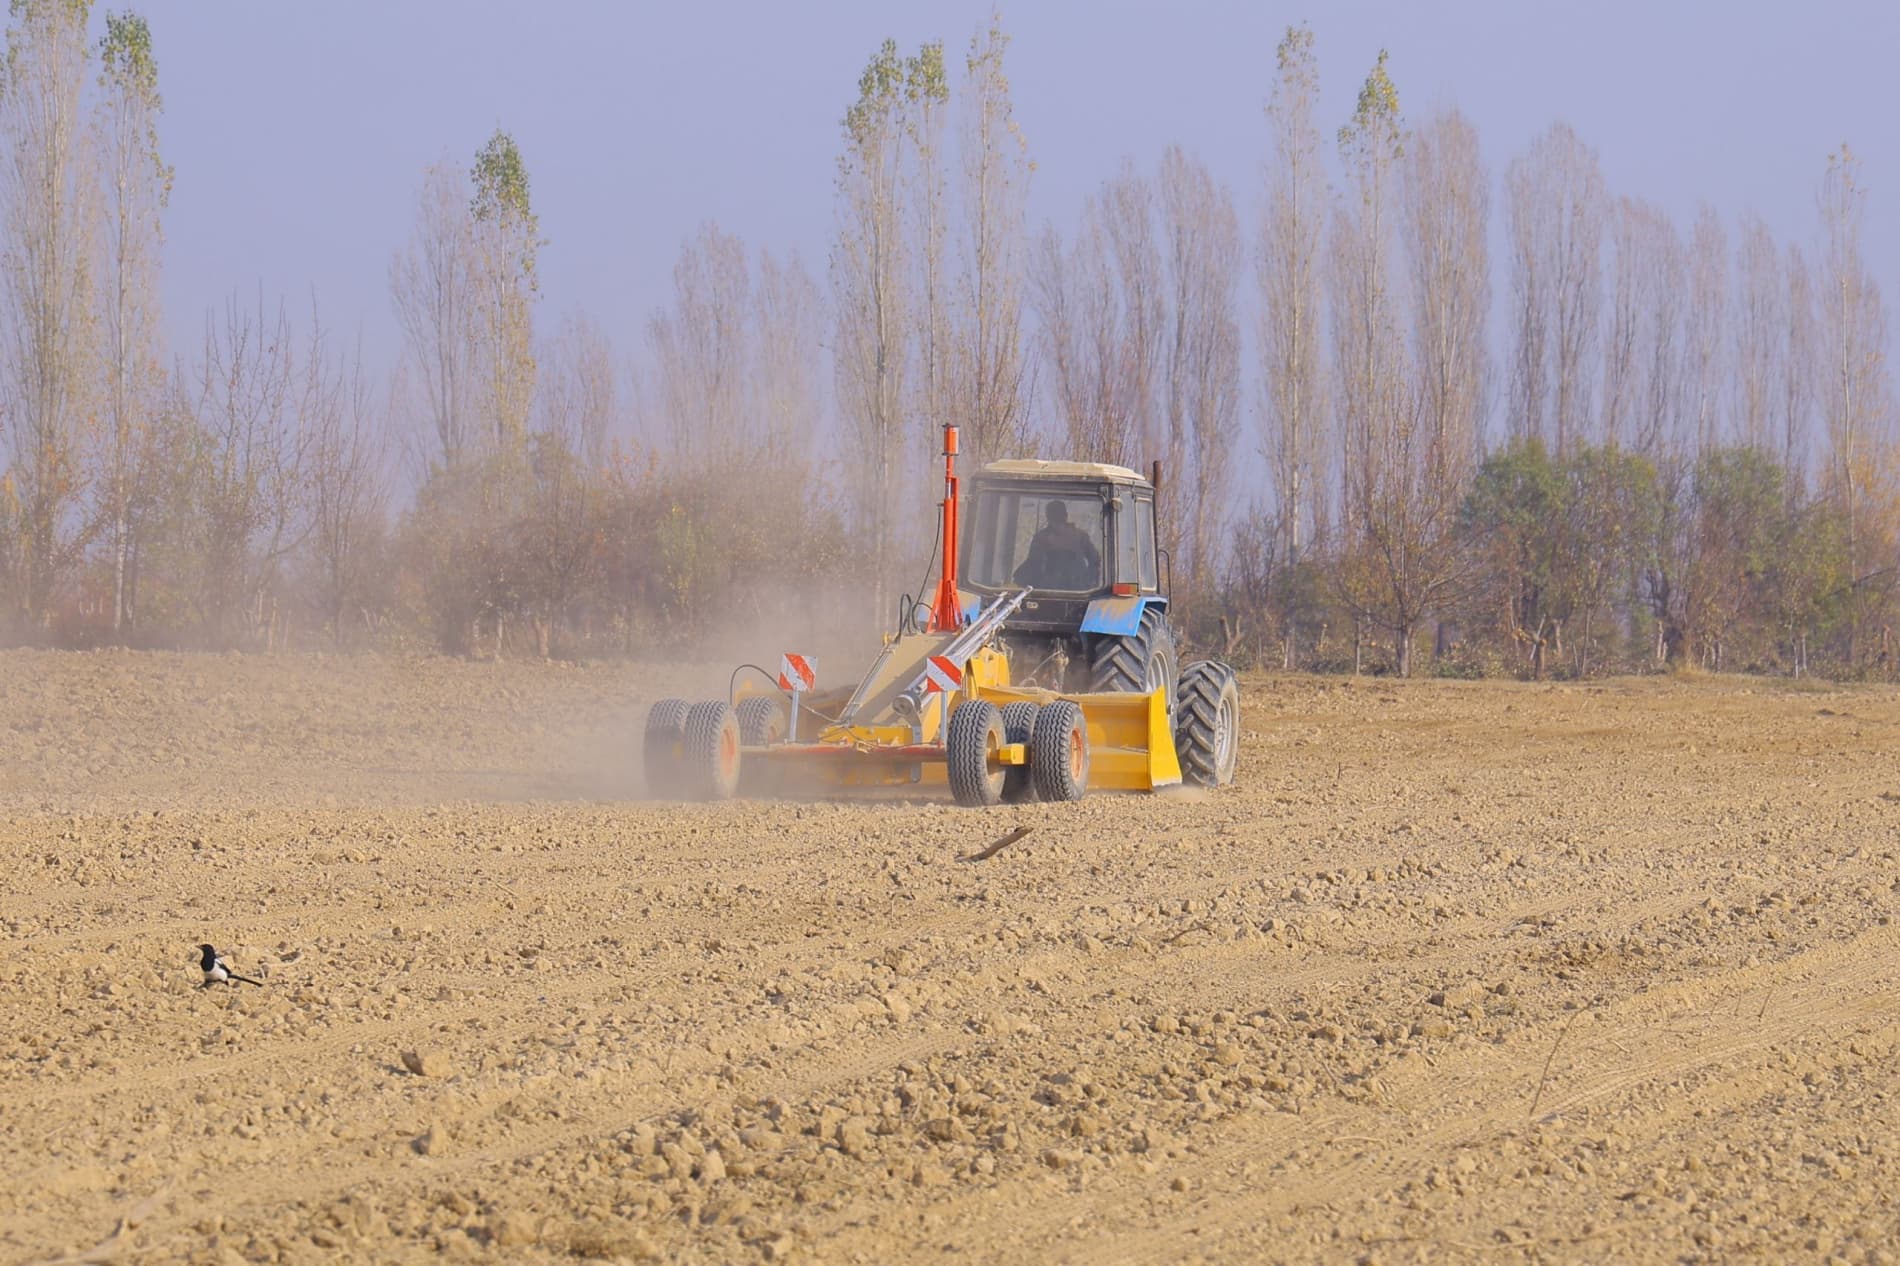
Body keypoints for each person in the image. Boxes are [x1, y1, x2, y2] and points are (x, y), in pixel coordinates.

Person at [1014, 500, 1100, 589]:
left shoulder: (1080, 537)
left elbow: (1095, 561)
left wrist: (1088, 582)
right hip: (1050, 590)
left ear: (1048, 517)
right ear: (1066, 515)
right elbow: (1033, 563)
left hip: (1077, 590)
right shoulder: (1042, 538)